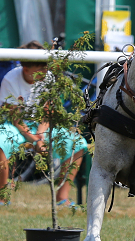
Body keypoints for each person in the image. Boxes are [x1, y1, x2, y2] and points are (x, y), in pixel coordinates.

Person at [0, 41, 87, 205]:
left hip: (42, 128)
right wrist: (35, 140)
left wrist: (40, 135)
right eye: (41, 68)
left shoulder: (49, 79)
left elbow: (48, 113)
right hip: (15, 127)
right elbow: (14, 118)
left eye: (46, 66)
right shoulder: (10, 80)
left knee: (79, 143)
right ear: (26, 70)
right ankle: (2, 197)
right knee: (0, 141)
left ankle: (62, 197)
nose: (45, 70)